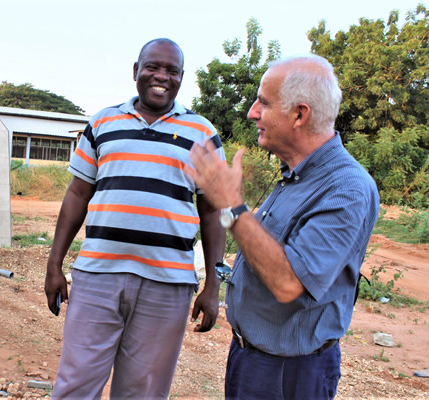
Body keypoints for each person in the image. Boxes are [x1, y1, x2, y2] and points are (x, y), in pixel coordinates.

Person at [187, 55, 380, 399]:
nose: (252, 112)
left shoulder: (346, 189)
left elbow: (288, 283)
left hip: (290, 375)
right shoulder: (297, 174)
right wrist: (230, 210)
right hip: (253, 359)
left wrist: (231, 204)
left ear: (299, 114)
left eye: (263, 102)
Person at [44, 38, 226, 399]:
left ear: (181, 78)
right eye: (153, 67)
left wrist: (213, 285)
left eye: (171, 71)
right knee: (74, 385)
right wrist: (54, 264)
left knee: (143, 391)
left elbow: (212, 210)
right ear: (135, 72)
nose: (161, 76)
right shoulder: (103, 123)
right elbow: (78, 194)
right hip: (98, 276)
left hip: (167, 283)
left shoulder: (202, 134)